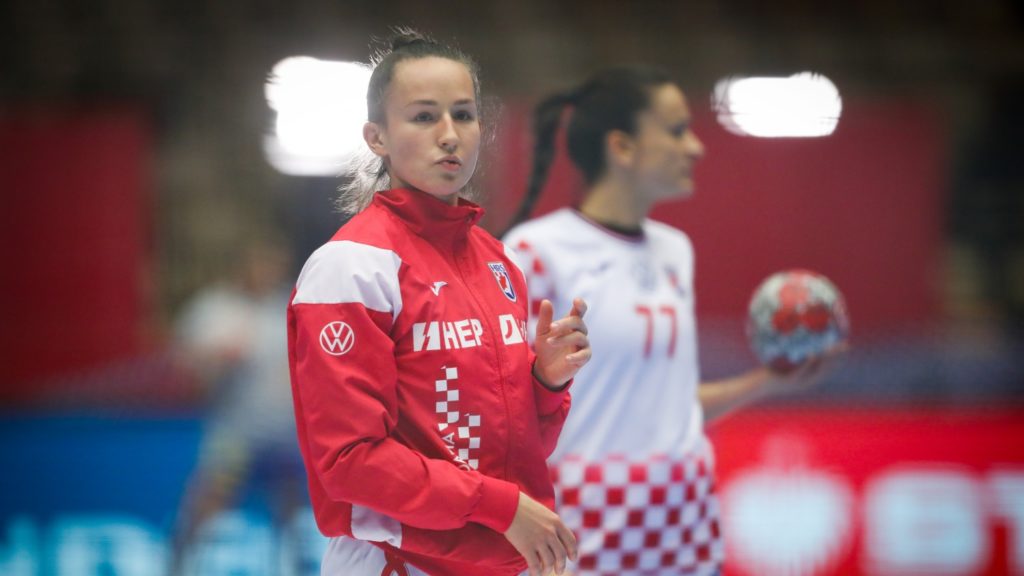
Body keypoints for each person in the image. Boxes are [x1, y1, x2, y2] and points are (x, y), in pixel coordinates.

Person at [503, 66, 842, 575]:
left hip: (685, 519)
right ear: (622, 147)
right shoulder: (534, 251)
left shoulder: (675, 251)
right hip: (583, 525)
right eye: (677, 130)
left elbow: (673, 407)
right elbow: (506, 412)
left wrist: (769, 380)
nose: (697, 148)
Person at [287, 30, 591, 576]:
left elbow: (515, 450)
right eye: (424, 117)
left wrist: (544, 384)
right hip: (396, 563)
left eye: (464, 115)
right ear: (376, 137)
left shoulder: (500, 264)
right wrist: (501, 508)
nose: (449, 135)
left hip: (502, 560)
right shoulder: (351, 268)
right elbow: (350, 462)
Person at [169, 239, 305, 574]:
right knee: (205, 507)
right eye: (260, 264)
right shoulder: (215, 309)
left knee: (291, 515)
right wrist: (217, 359)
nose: (267, 272)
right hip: (235, 435)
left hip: (284, 435)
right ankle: (177, 566)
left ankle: (291, 568)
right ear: (243, 267)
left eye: (273, 265)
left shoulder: (291, 305)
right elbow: (182, 366)